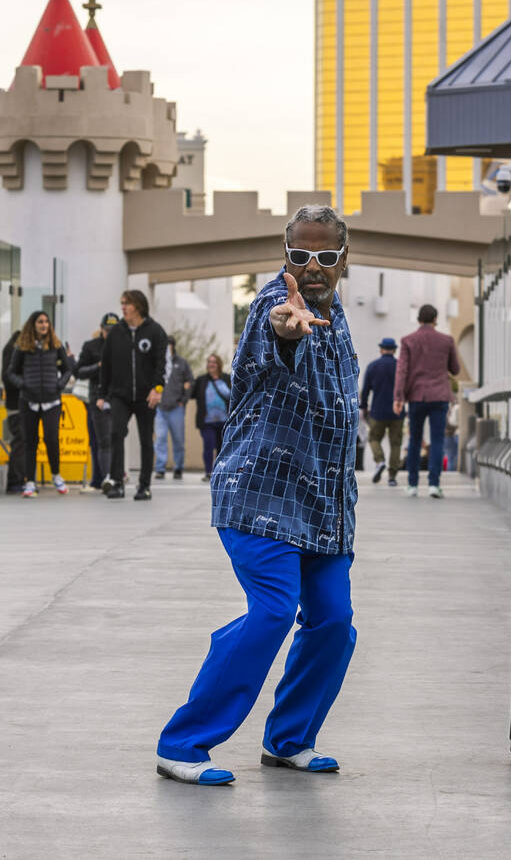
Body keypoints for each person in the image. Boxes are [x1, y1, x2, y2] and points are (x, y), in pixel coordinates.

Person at [155, 204, 359, 787]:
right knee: (271, 613)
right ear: (285, 255)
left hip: (323, 512)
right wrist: (285, 333)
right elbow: (273, 337)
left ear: (344, 258)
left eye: (324, 256)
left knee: (334, 622)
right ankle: (183, 743)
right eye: (300, 255)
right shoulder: (277, 304)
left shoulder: (336, 313)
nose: (312, 267)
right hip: (261, 500)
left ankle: (289, 739)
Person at [97, 290, 168, 501]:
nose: (123, 307)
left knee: (146, 439)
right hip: (120, 395)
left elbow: (161, 365)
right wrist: (102, 394)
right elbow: (106, 366)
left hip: (147, 396)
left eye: (126, 303)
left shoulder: (155, 331)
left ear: (138, 306)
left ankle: (144, 486)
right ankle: (117, 482)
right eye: (122, 304)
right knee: (116, 433)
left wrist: (157, 389)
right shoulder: (116, 333)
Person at [393, 303, 460, 498]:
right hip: (440, 396)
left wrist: (398, 397)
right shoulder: (446, 341)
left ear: (419, 319)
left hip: (416, 396)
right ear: (435, 320)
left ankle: (413, 485)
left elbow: (402, 370)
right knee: (438, 440)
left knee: (414, 439)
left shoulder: (408, 341)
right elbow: (455, 369)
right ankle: (434, 484)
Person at [6, 311, 74, 498]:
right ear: (33, 325)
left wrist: (59, 385)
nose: (44, 325)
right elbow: (10, 372)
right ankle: (30, 482)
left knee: (51, 438)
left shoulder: (56, 345)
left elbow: (68, 369)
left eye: (46, 322)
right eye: (40, 322)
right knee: (30, 442)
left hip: (52, 401)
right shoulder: (22, 347)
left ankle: (56, 476)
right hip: (29, 401)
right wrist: (23, 384)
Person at [74, 313, 119, 489]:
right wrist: (98, 367)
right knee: (101, 440)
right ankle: (104, 477)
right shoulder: (91, 346)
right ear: (101, 329)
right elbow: (78, 371)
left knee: (114, 439)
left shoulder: (122, 346)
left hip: (116, 399)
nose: (110, 334)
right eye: (107, 330)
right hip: (97, 399)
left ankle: (112, 476)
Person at [360, 337, 402, 486]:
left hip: (378, 411)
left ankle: (380, 460)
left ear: (381, 349)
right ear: (395, 350)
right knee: (395, 443)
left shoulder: (373, 366)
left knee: (373, 438)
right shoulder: (401, 366)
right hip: (398, 411)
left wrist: (364, 407)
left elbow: (365, 390)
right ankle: (392, 477)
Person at [154, 340, 193, 480]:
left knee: (178, 440)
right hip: (160, 408)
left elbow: (190, 381)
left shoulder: (181, 363)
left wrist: (183, 400)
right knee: (160, 438)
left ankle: (178, 467)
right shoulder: (158, 363)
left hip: (176, 408)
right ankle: (160, 468)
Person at [191, 353, 231, 482]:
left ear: (218, 364)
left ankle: (219, 472)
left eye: (213, 362)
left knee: (221, 449)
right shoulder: (201, 380)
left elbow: (234, 396)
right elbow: (191, 394)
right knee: (209, 446)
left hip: (224, 421)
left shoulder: (227, 379)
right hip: (207, 421)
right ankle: (208, 472)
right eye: (209, 362)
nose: (210, 364)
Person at [1, 329, 26, 493]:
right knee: (21, 441)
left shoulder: (14, 347)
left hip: (19, 404)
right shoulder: (15, 349)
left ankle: (20, 479)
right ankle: (15, 480)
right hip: (17, 405)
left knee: (23, 442)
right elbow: (9, 377)